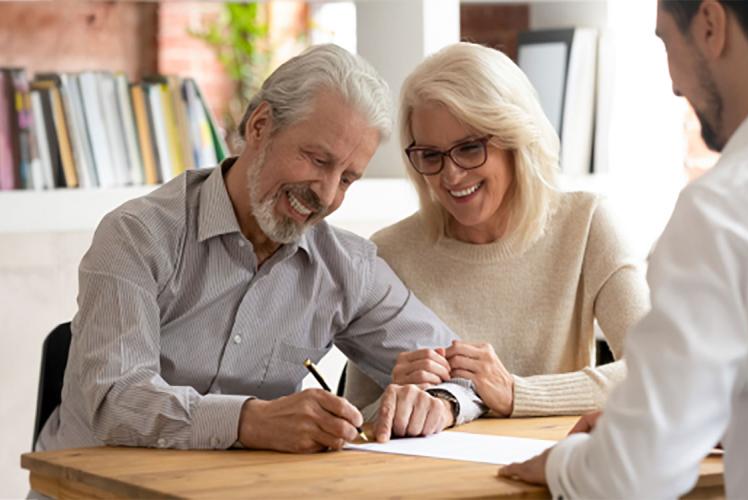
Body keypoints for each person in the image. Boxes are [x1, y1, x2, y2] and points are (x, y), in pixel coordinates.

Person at [36, 44, 485, 455]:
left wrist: (441, 402)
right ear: (259, 126)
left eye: (347, 178)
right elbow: (115, 400)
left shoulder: (346, 268)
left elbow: (465, 370)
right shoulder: (136, 235)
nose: (327, 195)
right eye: (317, 160)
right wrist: (250, 420)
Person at [499, 1, 748, 497]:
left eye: (664, 41)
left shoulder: (726, 210)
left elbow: (634, 476)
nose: (674, 84)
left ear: (710, 25)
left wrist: (568, 462)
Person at [344, 42, 649, 420]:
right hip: (431, 474)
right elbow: (355, 422)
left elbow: (657, 370)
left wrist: (515, 393)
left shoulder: (587, 225)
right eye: (431, 156)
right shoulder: (390, 252)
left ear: (515, 140)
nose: (451, 175)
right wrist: (394, 399)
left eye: (470, 148)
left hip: (550, 466)